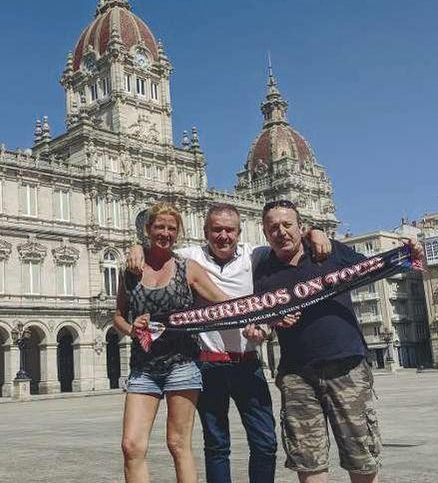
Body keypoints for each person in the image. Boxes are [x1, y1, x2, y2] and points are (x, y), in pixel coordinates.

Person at [126, 203, 331, 483]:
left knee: (265, 442)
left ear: (240, 232)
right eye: (216, 229)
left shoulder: (255, 255)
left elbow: (287, 241)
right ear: (205, 231)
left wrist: (315, 232)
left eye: (230, 230)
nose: (223, 236)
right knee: (216, 445)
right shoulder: (190, 257)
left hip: (248, 363)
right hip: (209, 365)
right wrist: (136, 248)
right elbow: (157, 248)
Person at [253, 199, 423, 483]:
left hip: (346, 366)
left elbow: (373, 267)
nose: (281, 231)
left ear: (301, 227)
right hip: (297, 374)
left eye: (287, 225)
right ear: (264, 232)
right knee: (308, 460)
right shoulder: (263, 270)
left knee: (361, 457)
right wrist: (269, 323)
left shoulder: (328, 251)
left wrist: (407, 254)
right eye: (273, 227)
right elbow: (261, 317)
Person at [113, 202, 230, 483]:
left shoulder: (187, 268)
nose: (165, 233)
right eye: (159, 227)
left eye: (171, 228)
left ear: (177, 233)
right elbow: (118, 316)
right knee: (131, 446)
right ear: (148, 230)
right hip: (143, 368)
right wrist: (131, 329)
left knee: (178, 444)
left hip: (182, 365)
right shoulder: (131, 270)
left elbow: (224, 302)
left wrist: (267, 309)